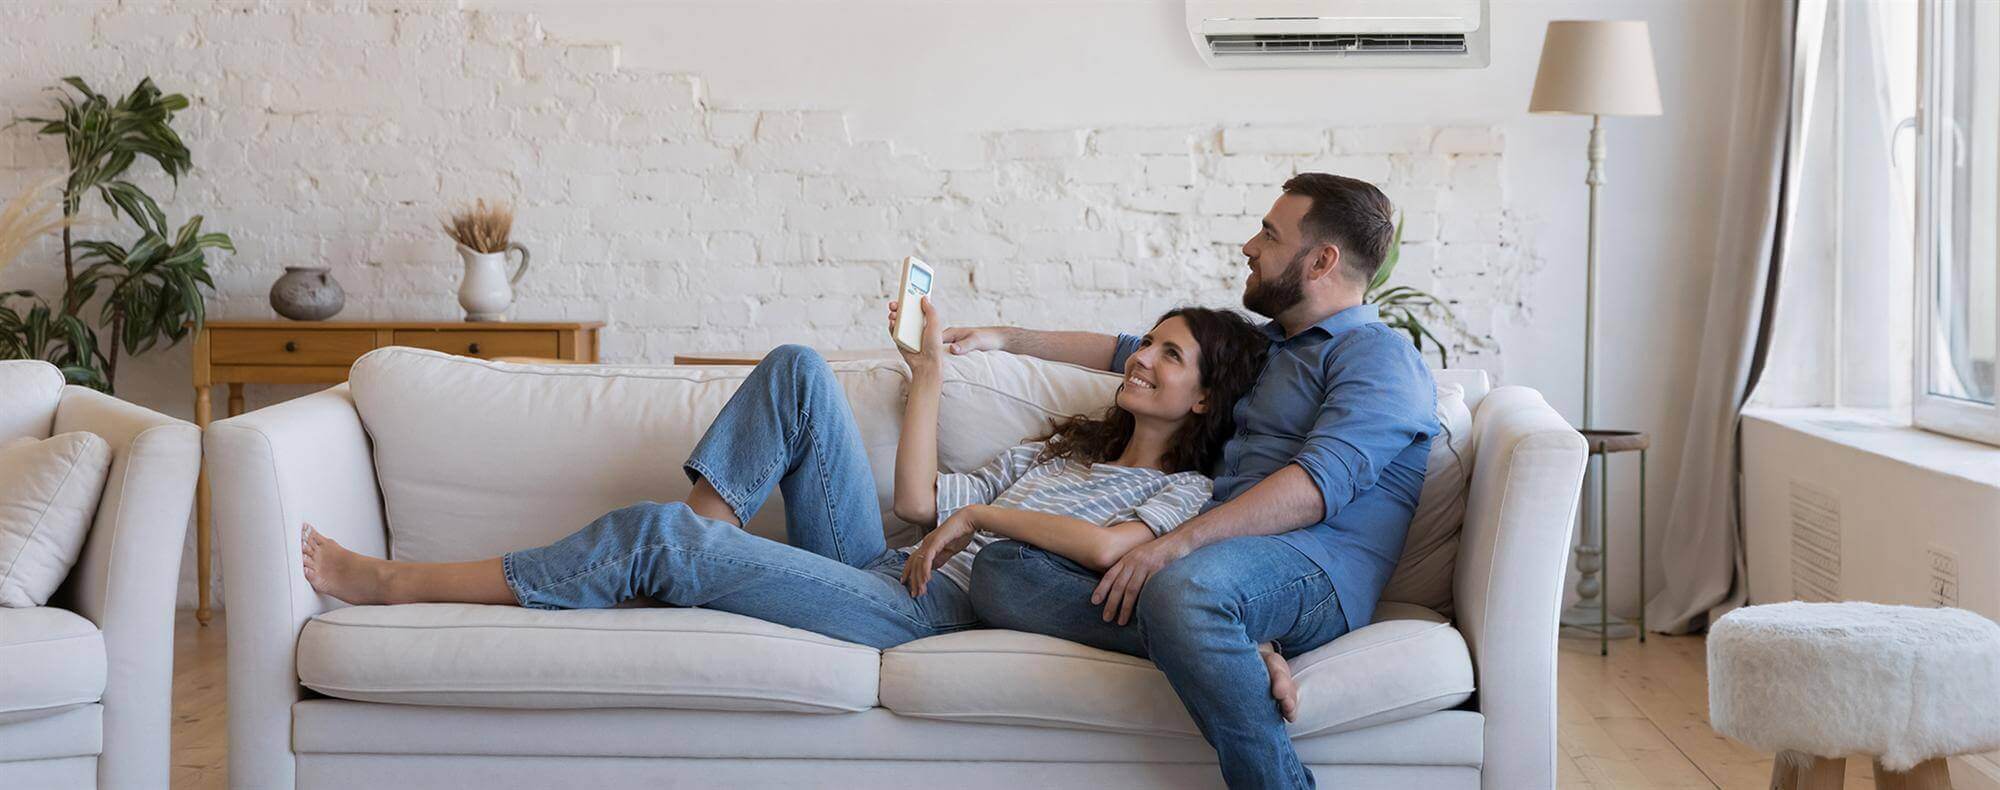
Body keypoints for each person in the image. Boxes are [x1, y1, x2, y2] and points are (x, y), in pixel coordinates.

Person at [299, 299, 1270, 658]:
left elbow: (1108, 552)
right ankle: (689, 546)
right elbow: (913, 506)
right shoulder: (1064, 448)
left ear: (1200, 400)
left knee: (657, 540)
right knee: (799, 368)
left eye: (1169, 355)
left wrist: (985, 515)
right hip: (888, 561)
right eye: (1146, 343)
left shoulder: (1181, 497)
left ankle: (393, 580)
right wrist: (927, 376)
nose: (1141, 358)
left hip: (934, 608)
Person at [949, 172, 1439, 789]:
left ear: (1321, 260)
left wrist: (1176, 545)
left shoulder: (1377, 354)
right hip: (1224, 564)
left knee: (1185, 591)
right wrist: (1005, 337)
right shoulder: (1268, 349)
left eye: (1268, 233)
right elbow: (1129, 350)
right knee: (1004, 570)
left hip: (1316, 567)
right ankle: (1237, 650)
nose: (1249, 247)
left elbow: (1318, 486)